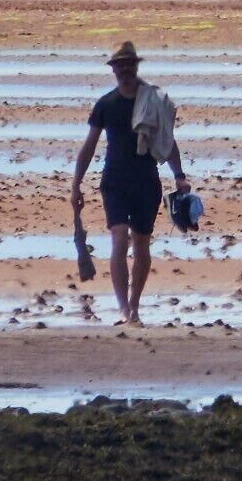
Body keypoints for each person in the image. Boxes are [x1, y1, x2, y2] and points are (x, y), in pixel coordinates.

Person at [69, 39, 185, 323]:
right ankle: (123, 308)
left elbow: (167, 142)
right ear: (113, 70)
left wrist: (179, 176)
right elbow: (89, 146)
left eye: (129, 64)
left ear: (136, 66)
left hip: (146, 181)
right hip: (114, 181)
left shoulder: (153, 103)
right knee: (120, 240)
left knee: (142, 244)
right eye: (120, 65)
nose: (125, 69)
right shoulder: (106, 104)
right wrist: (76, 184)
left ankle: (134, 305)